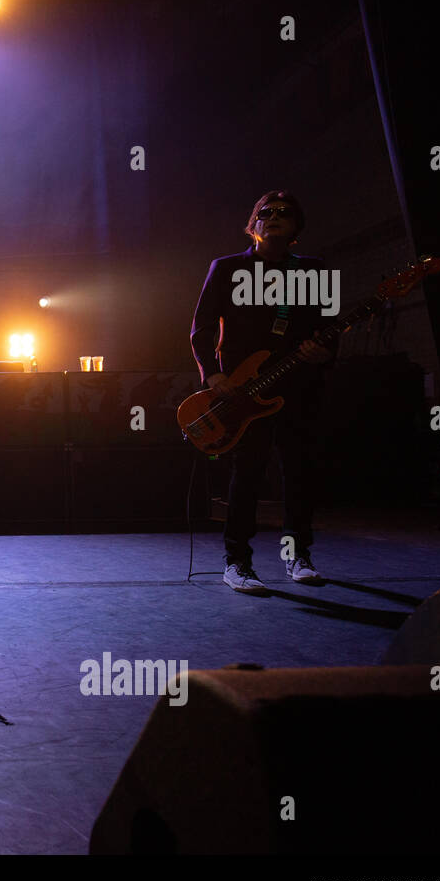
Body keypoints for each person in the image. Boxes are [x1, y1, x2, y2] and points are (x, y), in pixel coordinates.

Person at [189, 190, 335, 594]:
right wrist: (214, 375)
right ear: (252, 225)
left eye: (284, 213)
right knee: (247, 474)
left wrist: (323, 352)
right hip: (244, 389)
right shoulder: (226, 268)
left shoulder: (314, 270)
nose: (273, 217)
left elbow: (331, 327)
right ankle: (237, 564)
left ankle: (298, 557)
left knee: (299, 474)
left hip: (300, 386)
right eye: (264, 213)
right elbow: (200, 328)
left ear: (296, 229)